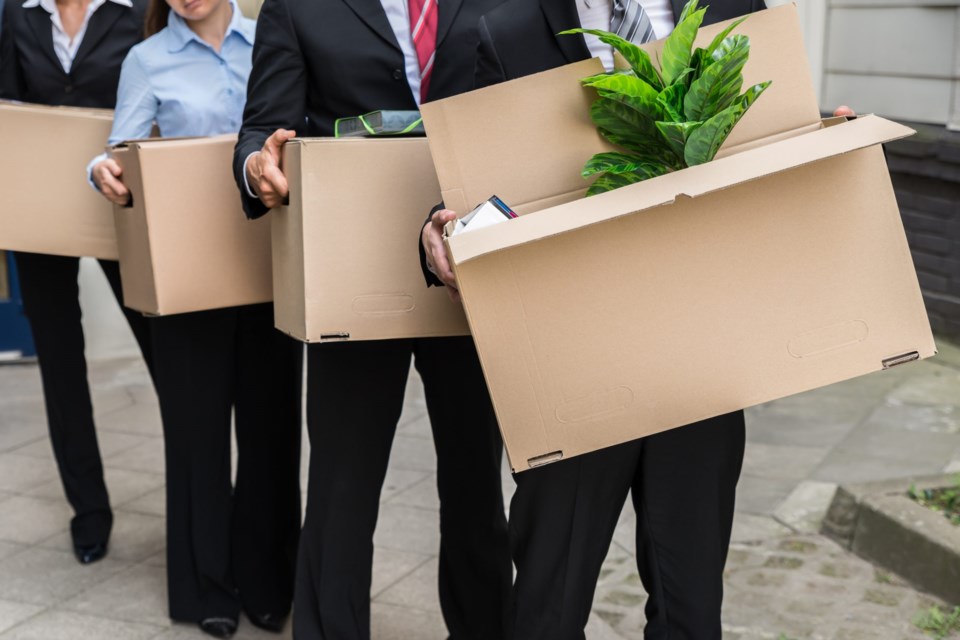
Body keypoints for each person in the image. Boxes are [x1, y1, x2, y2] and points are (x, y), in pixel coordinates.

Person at [421, 2, 858, 638]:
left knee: (691, 606)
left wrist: (825, 143)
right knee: (548, 603)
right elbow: (460, 176)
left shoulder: (736, 11)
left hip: (703, 354)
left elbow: (771, 135)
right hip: (571, 362)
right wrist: (437, 230)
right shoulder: (503, 27)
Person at [232, 0, 513, 637]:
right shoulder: (295, 9)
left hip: (467, 267)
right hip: (351, 273)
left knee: (475, 486)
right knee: (341, 489)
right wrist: (256, 167)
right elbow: (260, 130)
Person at [87, 0, 302, 636]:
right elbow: (116, 153)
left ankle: (267, 580)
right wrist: (103, 172)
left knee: (271, 431)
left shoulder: (273, 39)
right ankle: (208, 585)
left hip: (269, 266)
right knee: (196, 436)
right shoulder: (146, 59)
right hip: (185, 276)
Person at [0, 0, 153, 566]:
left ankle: (199, 502)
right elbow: (9, 112)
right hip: (40, 217)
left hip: (120, 203)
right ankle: (89, 511)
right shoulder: (21, 13)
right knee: (61, 368)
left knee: (163, 352)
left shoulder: (136, 11)